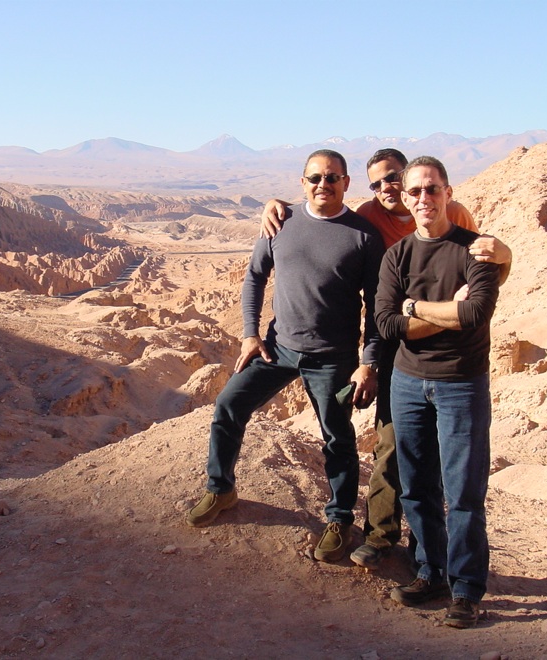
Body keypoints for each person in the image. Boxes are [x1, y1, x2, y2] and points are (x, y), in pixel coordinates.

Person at [260, 148, 512, 569]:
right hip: (398, 348)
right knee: (393, 444)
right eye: (376, 184)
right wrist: (277, 205)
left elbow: (482, 277)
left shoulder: (452, 212)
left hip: (454, 360)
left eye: (394, 178)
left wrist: (506, 255)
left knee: (454, 468)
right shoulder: (369, 218)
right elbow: (326, 216)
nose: (387, 189)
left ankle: (444, 564)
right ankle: (381, 535)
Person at [186, 149, 384, 563]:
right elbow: (254, 277)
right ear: (302, 182)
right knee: (228, 405)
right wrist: (249, 334)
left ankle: (339, 519)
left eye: (332, 178)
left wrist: (368, 361)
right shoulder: (280, 221)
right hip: (278, 348)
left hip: (333, 358)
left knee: (337, 438)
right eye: (315, 178)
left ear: (346, 183)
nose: (323, 185)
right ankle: (221, 489)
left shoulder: (364, 235)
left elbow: (378, 305)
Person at [375, 155, 499, 629]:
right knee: (417, 487)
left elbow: (475, 314)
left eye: (432, 189)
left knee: (464, 491)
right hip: (407, 382)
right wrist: (442, 308)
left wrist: (413, 308)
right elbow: (388, 324)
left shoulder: (476, 250)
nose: (424, 198)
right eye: (415, 191)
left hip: (462, 383)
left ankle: (466, 589)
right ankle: (430, 571)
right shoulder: (398, 255)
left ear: (448, 192)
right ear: (405, 199)